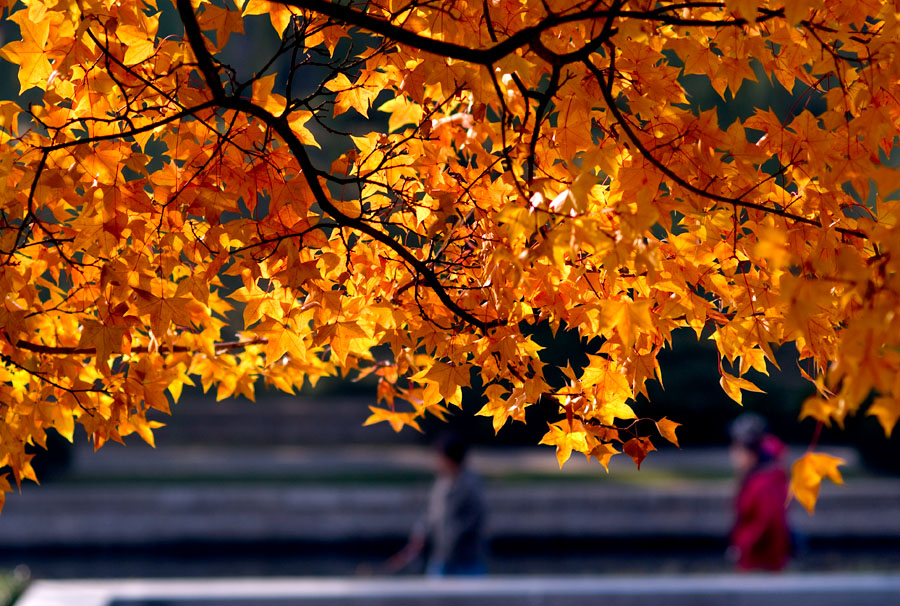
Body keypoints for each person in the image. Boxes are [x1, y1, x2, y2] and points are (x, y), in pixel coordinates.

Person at [386, 433, 488, 576]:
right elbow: (431, 513)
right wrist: (419, 536)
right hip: (441, 557)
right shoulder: (443, 483)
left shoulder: (470, 486)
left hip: (465, 559)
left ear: (449, 459)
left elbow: (470, 522)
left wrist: (450, 542)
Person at [728, 413, 793, 572]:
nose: (733, 454)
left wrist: (743, 547)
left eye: (737, 449)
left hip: (761, 566)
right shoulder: (758, 479)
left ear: (750, 452)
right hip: (757, 563)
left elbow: (768, 522)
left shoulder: (763, 484)